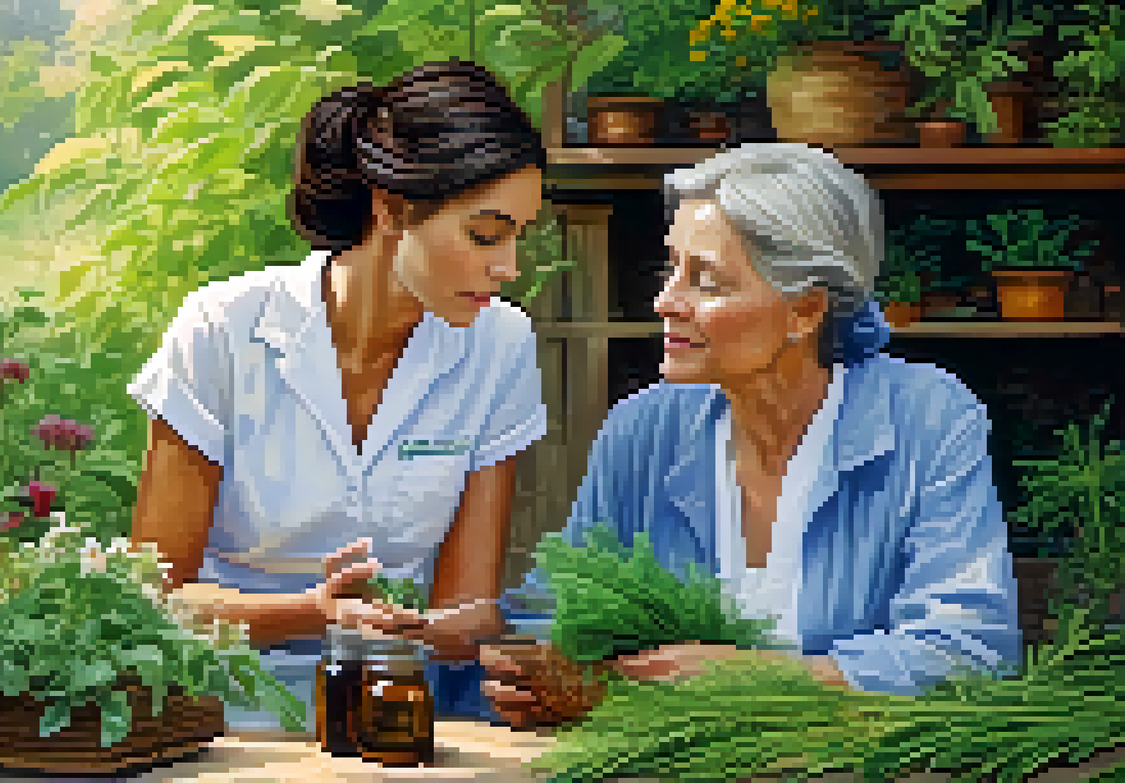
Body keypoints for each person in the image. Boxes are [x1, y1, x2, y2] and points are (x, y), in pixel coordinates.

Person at [479, 143, 1023, 728]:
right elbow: (555, 610)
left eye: (705, 281)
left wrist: (753, 676)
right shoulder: (643, 428)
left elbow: (971, 651)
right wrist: (536, 675)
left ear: (806, 311)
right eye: (671, 269)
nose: (666, 301)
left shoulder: (925, 417)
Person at [128, 60, 548, 729]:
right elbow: (153, 600)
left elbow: (466, 610)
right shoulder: (223, 330)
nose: (508, 267)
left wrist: (476, 640)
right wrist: (312, 611)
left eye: (518, 237)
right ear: (391, 209)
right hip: (219, 717)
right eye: (485, 235)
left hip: (397, 717)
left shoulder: (498, 344)